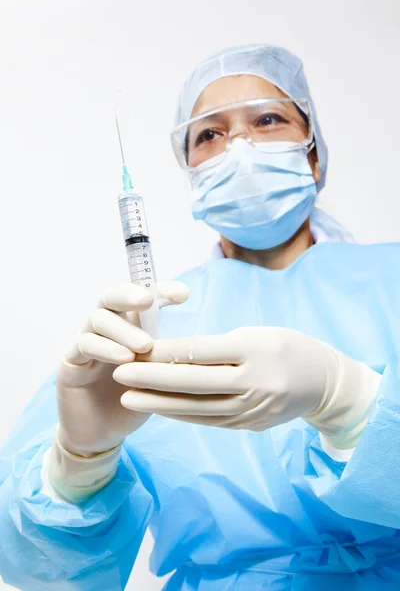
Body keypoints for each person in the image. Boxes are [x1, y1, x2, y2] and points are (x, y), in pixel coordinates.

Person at [1, 43, 400, 591]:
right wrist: (79, 463)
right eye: (208, 134)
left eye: (266, 119)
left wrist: (348, 400)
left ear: (312, 154)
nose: (238, 145)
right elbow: (39, 565)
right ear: (192, 171)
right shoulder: (148, 323)